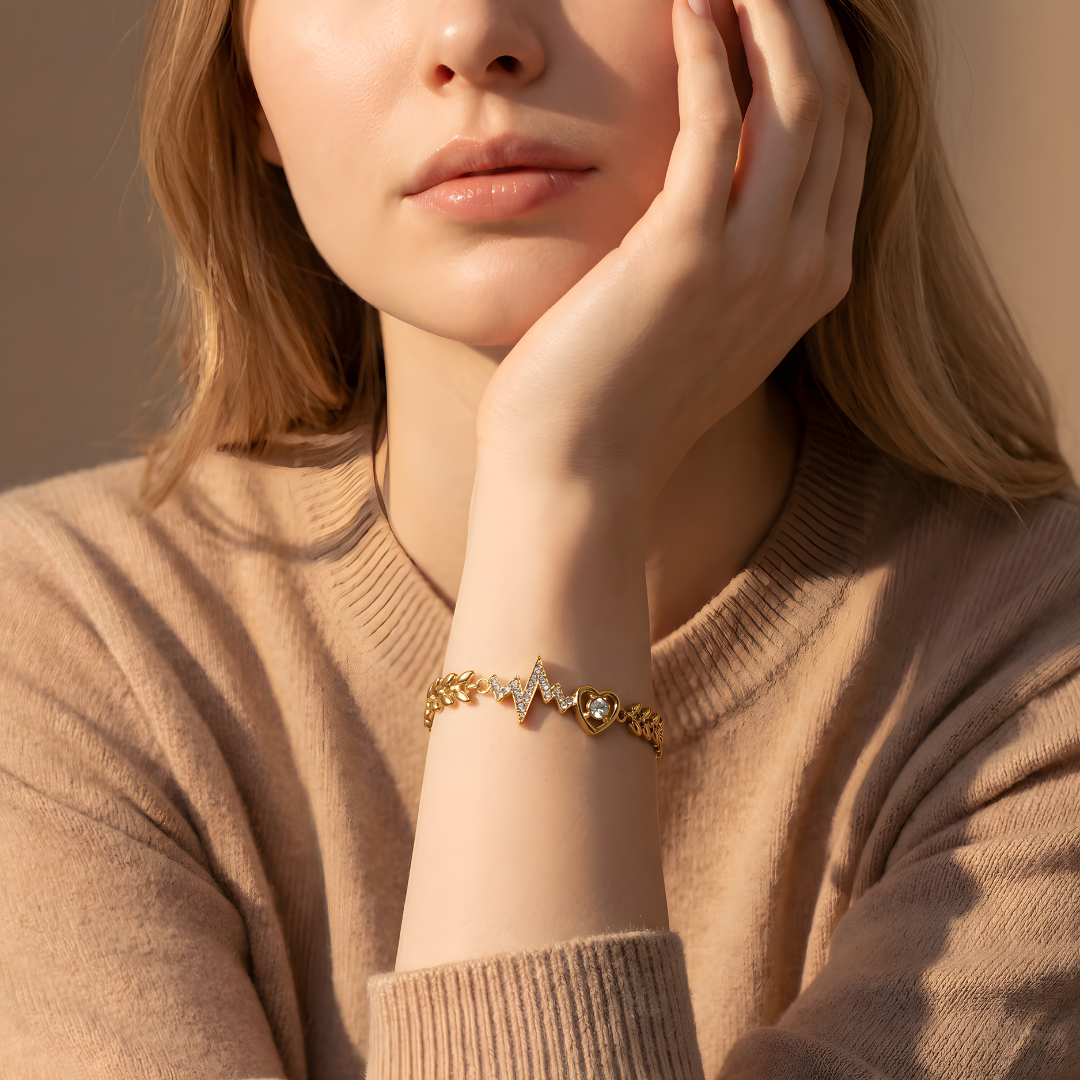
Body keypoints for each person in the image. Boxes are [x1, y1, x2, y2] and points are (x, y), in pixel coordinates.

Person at [1, 0, 1077, 1075]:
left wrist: (562, 483)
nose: (475, 34)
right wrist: (568, 486)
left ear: (808, 34)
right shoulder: (63, 648)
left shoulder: (1040, 668)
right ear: (247, 98)